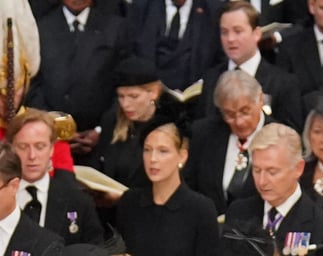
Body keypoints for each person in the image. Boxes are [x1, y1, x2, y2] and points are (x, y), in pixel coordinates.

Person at [223, 123, 323, 256]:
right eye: (256, 170)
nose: (262, 181)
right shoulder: (239, 213)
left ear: (298, 168)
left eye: (272, 171)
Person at [114, 121, 224, 256]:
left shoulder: (201, 209)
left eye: (163, 151)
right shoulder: (129, 202)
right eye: (147, 150)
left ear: (182, 156)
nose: (153, 159)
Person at [28, 0, 126, 145]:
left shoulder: (116, 28)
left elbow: (122, 84)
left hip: (101, 137)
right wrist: (55, 126)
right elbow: (32, 83)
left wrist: (101, 130)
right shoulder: (38, 27)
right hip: (49, 134)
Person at [199, 2, 304, 130]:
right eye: (224, 32)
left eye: (238, 31)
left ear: (256, 34)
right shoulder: (212, 79)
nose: (230, 39)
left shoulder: (283, 83)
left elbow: (290, 137)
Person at [8, 109, 104, 244]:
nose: (32, 156)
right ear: (12, 149)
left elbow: (95, 255)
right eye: (23, 147)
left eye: (40, 146)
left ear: (52, 149)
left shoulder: (79, 202)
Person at [92, 58, 185, 194]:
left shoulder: (170, 125)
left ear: (154, 93)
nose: (125, 104)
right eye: (121, 96)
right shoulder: (111, 121)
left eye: (133, 96)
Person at [188, 68, 271, 214]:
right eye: (230, 114)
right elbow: (189, 187)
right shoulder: (203, 133)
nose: (239, 121)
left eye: (245, 112)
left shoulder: (279, 137)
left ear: (260, 99)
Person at [126, 0, 221, 91]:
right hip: (148, 94)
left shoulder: (213, 10)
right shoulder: (142, 6)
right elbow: (128, 53)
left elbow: (219, 60)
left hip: (196, 98)